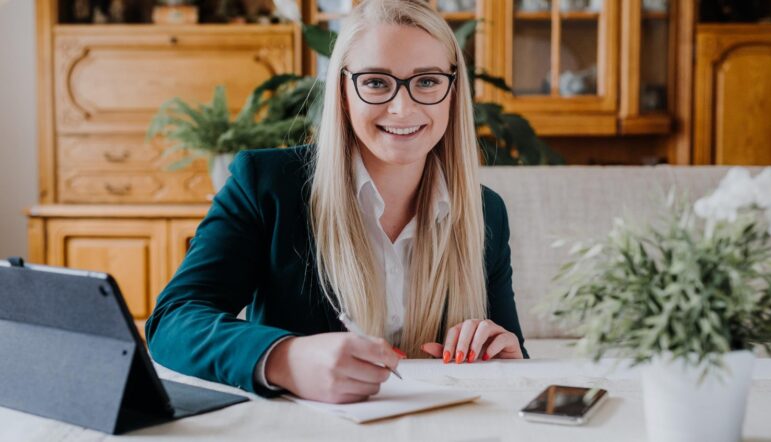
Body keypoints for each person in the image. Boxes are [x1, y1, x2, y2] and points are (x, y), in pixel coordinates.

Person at [146, 0, 528, 405]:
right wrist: (286, 358)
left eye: (428, 81)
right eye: (376, 82)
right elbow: (173, 321)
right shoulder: (266, 184)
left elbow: (506, 353)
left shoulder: (486, 212)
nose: (403, 107)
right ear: (344, 92)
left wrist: (506, 356)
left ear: (453, 91)